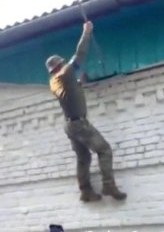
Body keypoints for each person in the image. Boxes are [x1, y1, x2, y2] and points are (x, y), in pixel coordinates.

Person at [45, 21, 127, 202]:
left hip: (69, 125)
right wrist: (86, 32)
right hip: (80, 124)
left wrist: (79, 83)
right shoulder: (65, 73)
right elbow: (80, 54)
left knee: (83, 157)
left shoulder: (54, 81)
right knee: (104, 150)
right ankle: (108, 185)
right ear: (60, 64)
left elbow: (69, 93)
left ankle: (85, 191)